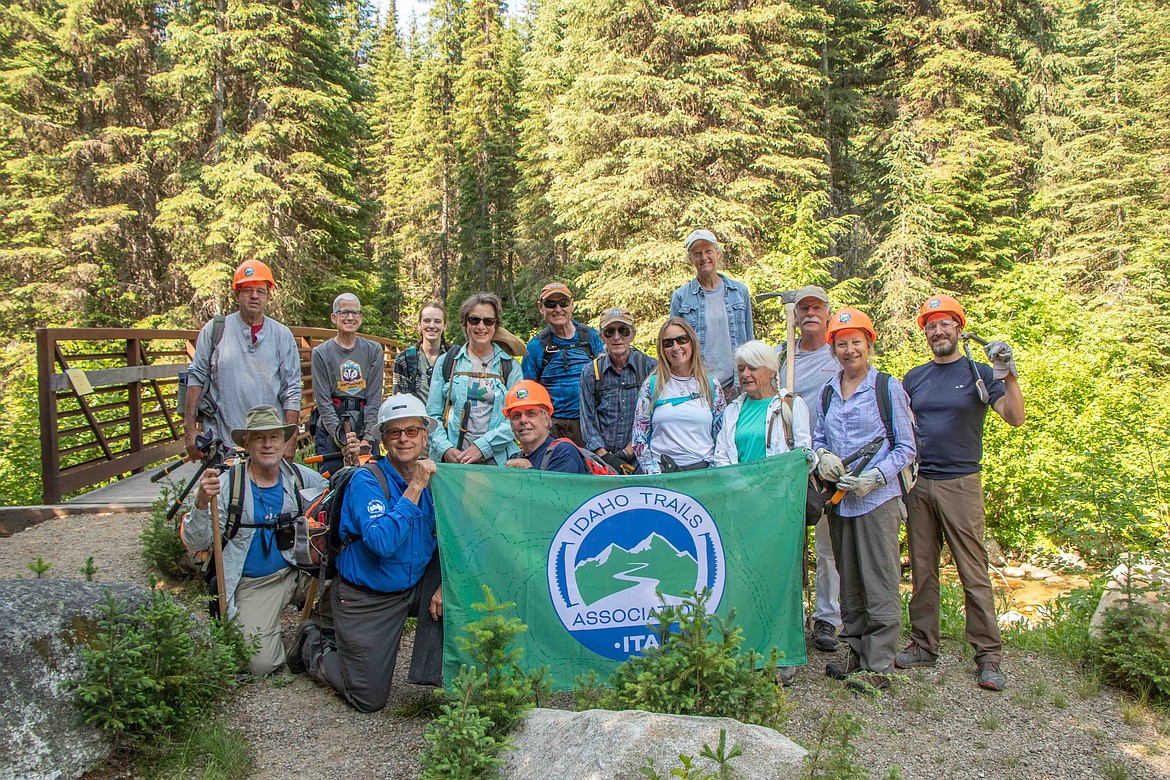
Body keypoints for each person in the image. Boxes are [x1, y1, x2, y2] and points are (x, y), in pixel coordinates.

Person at [896, 294, 1025, 692]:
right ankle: (923, 644)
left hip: (962, 483)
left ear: (959, 328)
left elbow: (1015, 418)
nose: (938, 331)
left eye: (945, 323)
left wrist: (1008, 374)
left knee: (973, 571)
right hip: (919, 484)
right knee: (922, 570)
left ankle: (988, 656)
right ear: (926, 333)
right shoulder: (914, 378)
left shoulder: (980, 371)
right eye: (931, 325)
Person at [299, 395, 443, 712]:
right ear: (383, 439)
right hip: (368, 595)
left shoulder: (438, 479)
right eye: (394, 432)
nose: (404, 438)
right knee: (368, 699)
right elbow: (381, 542)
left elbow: (457, 538)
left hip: (413, 586)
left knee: (467, 597)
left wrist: (446, 586)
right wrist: (415, 488)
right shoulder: (367, 481)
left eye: (412, 430)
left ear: (425, 435)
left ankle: (454, 679)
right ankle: (314, 644)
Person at [813, 308, 916, 692]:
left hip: (877, 499)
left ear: (869, 344)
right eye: (842, 344)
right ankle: (855, 654)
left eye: (856, 342)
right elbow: (819, 437)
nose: (849, 350)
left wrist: (876, 477)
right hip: (841, 499)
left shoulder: (887, 388)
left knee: (880, 579)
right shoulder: (828, 391)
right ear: (833, 349)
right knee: (849, 579)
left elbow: (907, 447)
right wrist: (823, 458)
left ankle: (879, 664)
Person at [181, 405, 327, 676]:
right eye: (259, 438)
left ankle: (317, 629)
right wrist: (201, 502)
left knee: (347, 585)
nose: (268, 445)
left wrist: (353, 465)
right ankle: (280, 638)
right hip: (255, 584)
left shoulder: (299, 477)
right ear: (246, 444)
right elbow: (197, 541)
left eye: (274, 437)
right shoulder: (227, 486)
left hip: (300, 571)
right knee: (259, 663)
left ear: (284, 442)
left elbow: (337, 496)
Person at [713, 340, 816, 685]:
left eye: (752, 367)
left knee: (782, 579)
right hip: (741, 508)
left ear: (771, 370)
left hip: (779, 509)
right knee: (745, 578)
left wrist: (774, 483)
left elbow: (803, 452)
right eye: (741, 368)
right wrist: (743, 489)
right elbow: (722, 457)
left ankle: (782, 653)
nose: (745, 374)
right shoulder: (733, 410)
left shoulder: (789, 405)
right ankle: (748, 647)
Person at [775, 285, 844, 653]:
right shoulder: (783, 354)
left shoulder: (839, 353)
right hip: (793, 458)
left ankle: (828, 619)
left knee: (829, 545)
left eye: (817, 307)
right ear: (796, 316)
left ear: (828, 312)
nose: (809, 314)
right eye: (803, 309)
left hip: (831, 459)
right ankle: (789, 617)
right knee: (790, 543)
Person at [184, 260, 302, 461]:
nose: (255, 296)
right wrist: (190, 430)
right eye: (248, 290)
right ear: (237, 295)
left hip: (268, 445)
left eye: (261, 291)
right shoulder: (215, 330)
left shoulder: (282, 335)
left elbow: (292, 390)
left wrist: (289, 442)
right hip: (223, 440)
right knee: (222, 492)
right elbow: (196, 378)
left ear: (267, 296)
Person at [426, 293, 521, 465]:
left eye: (488, 321)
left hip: (496, 460)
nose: (481, 326)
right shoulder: (447, 362)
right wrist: (445, 449)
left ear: (496, 325)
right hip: (453, 461)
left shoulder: (509, 366)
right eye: (474, 320)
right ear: (465, 323)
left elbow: (517, 418)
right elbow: (432, 415)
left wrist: (482, 447)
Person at [632, 317, 727, 474]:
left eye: (681, 339)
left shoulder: (711, 385)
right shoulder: (652, 386)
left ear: (692, 342)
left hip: (703, 477)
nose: (676, 347)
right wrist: (655, 473)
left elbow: (722, 435)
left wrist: (713, 471)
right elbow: (638, 437)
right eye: (668, 343)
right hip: (664, 477)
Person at [669, 230, 753, 398]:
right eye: (697, 253)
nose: (704, 257)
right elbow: (674, 344)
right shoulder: (681, 297)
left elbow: (749, 339)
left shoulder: (739, 292)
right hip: (698, 385)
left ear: (718, 253)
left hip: (735, 384)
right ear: (691, 259)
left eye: (708, 251)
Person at [521, 282, 604, 447]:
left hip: (590, 422)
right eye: (551, 304)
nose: (558, 309)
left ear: (572, 305)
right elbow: (529, 393)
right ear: (541, 307)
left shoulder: (592, 338)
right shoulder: (535, 347)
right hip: (553, 426)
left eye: (563, 303)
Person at [310, 293, 384, 475]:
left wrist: (367, 439)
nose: (350, 317)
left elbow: (374, 397)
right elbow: (323, 402)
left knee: (370, 480)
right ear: (334, 317)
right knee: (333, 483)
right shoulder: (321, 353)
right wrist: (341, 440)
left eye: (355, 312)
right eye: (344, 312)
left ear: (360, 317)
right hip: (332, 427)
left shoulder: (373, 350)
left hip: (363, 423)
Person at [578, 307, 657, 474]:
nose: (616, 337)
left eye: (623, 331)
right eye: (609, 332)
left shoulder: (650, 367)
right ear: (602, 338)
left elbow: (655, 416)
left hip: (642, 459)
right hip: (601, 461)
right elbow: (588, 421)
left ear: (633, 335)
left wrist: (627, 452)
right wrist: (605, 457)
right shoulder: (591, 373)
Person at [504, 380, 589, 474]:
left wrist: (529, 470)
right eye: (516, 415)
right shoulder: (514, 459)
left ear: (547, 419)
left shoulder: (564, 453)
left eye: (531, 413)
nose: (523, 420)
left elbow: (559, 488)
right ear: (511, 424)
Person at [393, 301, 451, 404]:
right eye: (427, 321)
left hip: (447, 418)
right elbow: (399, 399)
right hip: (415, 418)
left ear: (444, 326)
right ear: (419, 325)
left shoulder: (454, 357)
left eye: (437, 321)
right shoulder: (404, 359)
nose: (432, 326)